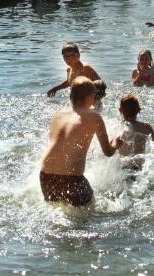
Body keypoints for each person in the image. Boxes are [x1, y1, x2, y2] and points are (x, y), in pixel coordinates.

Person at [39, 77, 116, 206]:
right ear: (88, 98)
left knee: (55, 208)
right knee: (92, 210)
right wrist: (116, 144)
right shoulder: (94, 116)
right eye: (93, 96)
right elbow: (108, 152)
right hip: (72, 179)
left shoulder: (58, 114)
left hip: (45, 176)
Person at [114, 94, 154, 171]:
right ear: (139, 110)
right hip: (138, 167)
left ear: (120, 111)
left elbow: (111, 147)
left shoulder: (118, 127)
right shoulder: (146, 128)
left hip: (122, 166)